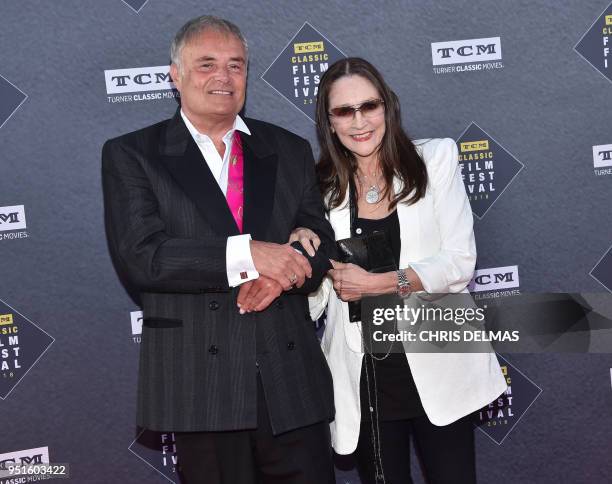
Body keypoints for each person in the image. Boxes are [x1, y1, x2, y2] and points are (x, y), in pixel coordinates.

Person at [102, 15, 336, 484]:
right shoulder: (133, 154)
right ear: (175, 75)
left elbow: (318, 237)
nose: (224, 77)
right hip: (202, 386)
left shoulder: (287, 148)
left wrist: (283, 275)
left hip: (290, 379)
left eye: (236, 65)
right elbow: (143, 257)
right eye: (206, 64)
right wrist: (251, 254)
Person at [294, 58, 507, 484]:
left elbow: (459, 262)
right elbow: (316, 302)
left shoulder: (435, 158)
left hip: (440, 362)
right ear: (328, 121)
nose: (359, 122)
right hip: (365, 375)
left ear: (387, 108)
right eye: (343, 111)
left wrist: (378, 283)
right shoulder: (317, 188)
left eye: (368, 106)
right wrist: (302, 259)